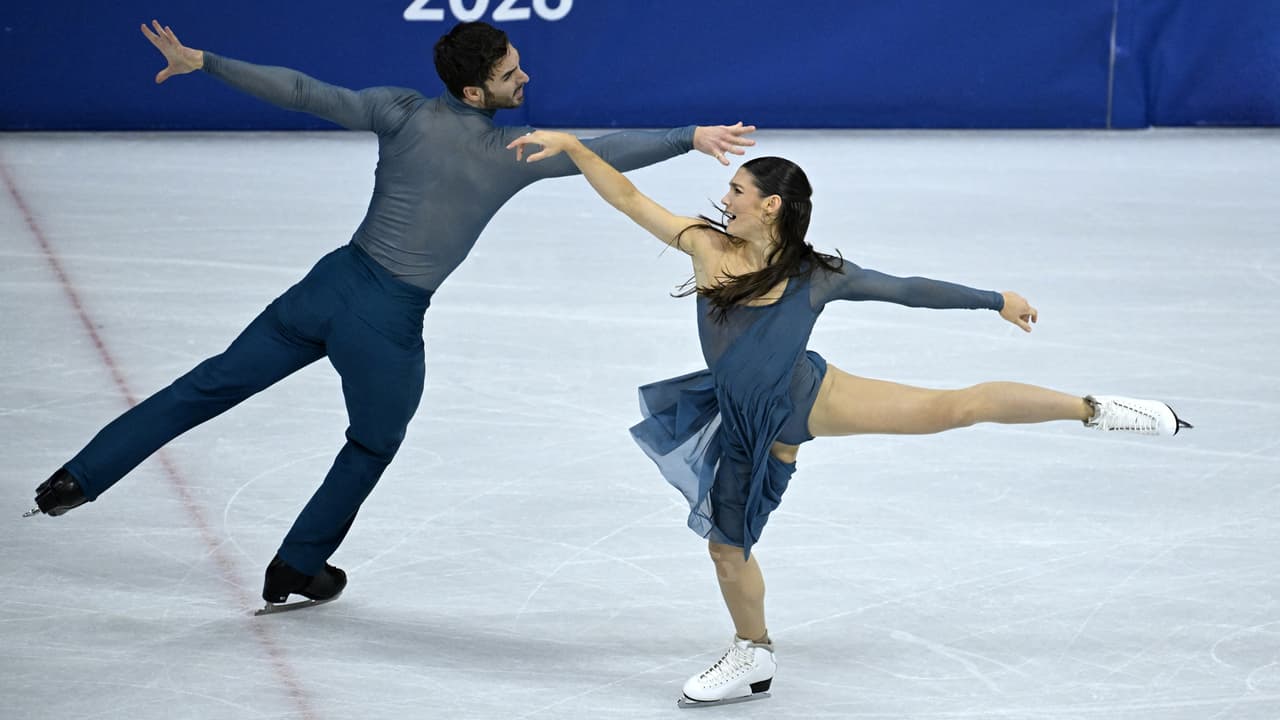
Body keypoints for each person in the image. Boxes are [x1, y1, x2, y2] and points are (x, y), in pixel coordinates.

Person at [25, 19, 757, 614]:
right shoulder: (514, 153)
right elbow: (602, 154)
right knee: (374, 440)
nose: (524, 78)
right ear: (475, 90)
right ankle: (298, 565)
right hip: (385, 321)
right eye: (510, 74)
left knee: (207, 384)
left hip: (327, 286)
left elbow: (304, 92)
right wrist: (687, 137)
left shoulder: (399, 110)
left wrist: (206, 61)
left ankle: (77, 479)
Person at [506, 130, 1192, 707]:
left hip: (809, 395)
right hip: (744, 420)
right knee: (728, 547)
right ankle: (755, 654)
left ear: (771, 206)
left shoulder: (816, 275)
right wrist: (574, 146)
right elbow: (627, 197)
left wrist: (994, 299)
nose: (725, 200)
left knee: (954, 409)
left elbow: (907, 290)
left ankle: (1100, 410)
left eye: (739, 193)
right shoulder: (705, 247)